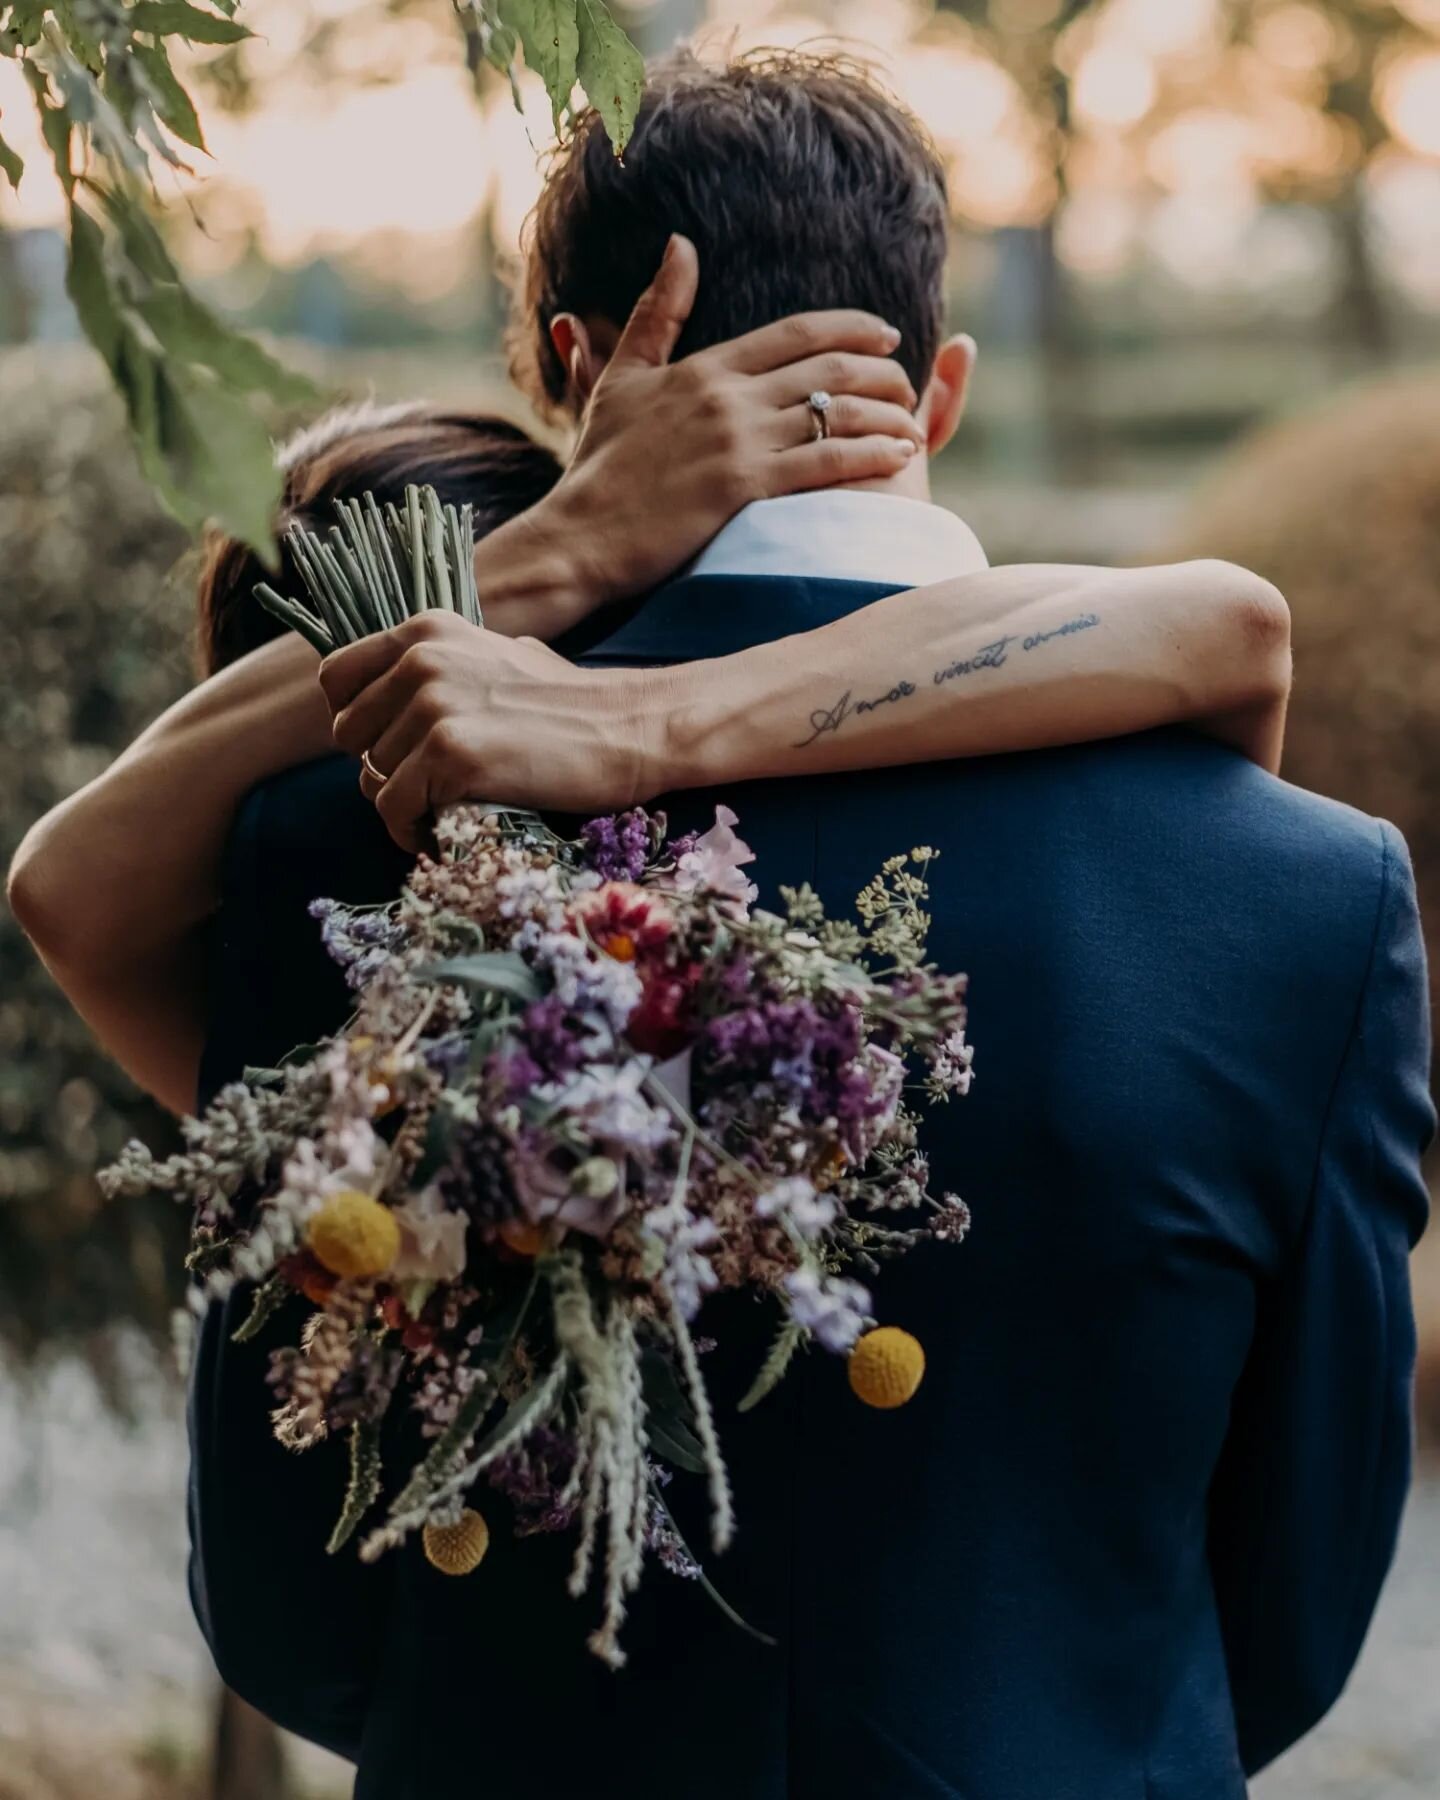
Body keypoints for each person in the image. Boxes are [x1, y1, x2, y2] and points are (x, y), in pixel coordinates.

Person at [5, 44, 1422, 1800]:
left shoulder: (349, 852)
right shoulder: (1310, 894)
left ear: (567, 371)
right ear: (945, 392)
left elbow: (295, 1601)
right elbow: (1297, 1588)